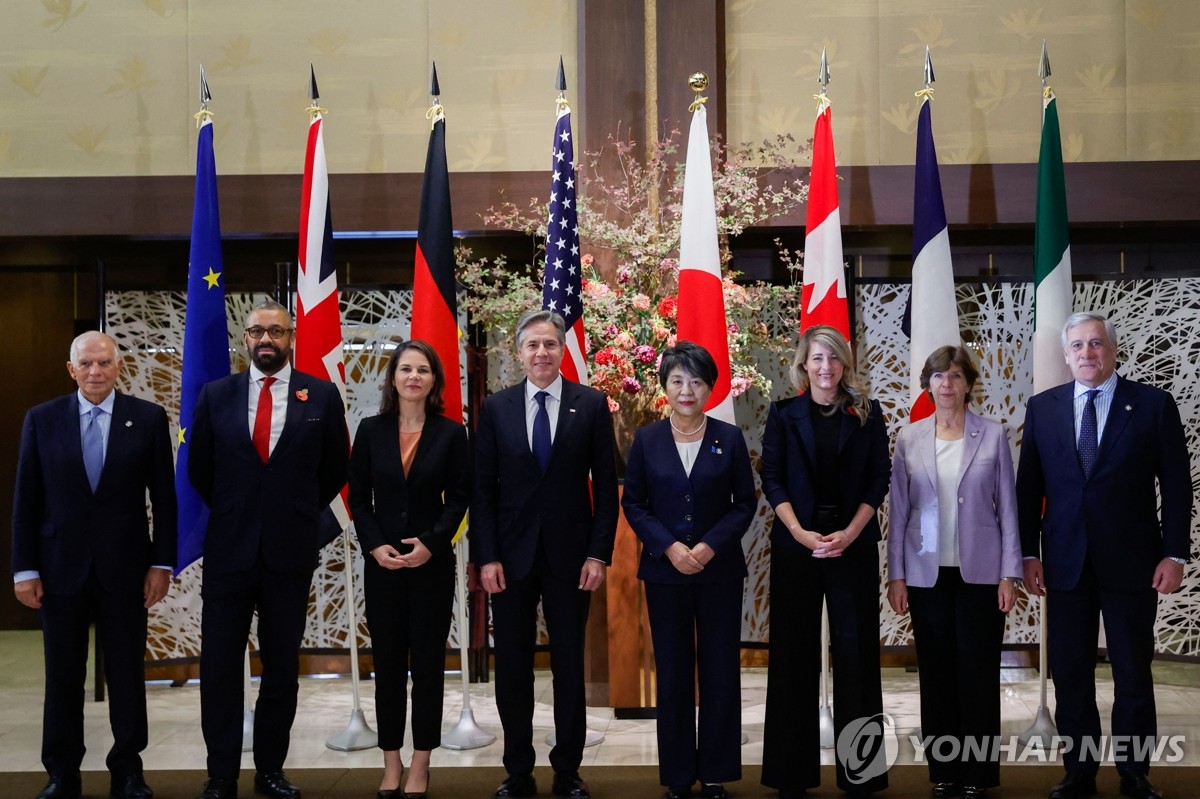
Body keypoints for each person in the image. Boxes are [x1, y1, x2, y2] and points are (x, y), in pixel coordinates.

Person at [1016, 312, 1191, 799]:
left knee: (1133, 668)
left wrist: (1175, 553)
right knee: (1070, 670)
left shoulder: (1153, 405)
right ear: (1066, 355)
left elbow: (1177, 486)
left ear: (1113, 351)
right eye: (1077, 346)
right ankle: (1079, 771)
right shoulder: (1043, 408)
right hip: (1064, 562)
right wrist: (1028, 553)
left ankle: (1135, 772)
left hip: (1134, 562)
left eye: (1096, 344)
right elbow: (1027, 490)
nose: (1087, 354)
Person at [188, 300, 349, 799]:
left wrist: (291, 511)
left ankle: (271, 771)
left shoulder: (320, 396)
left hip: (289, 554)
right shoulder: (217, 395)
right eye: (257, 331)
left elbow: (334, 470)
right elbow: (201, 470)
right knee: (219, 668)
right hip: (228, 554)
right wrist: (242, 512)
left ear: (291, 337)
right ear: (245, 338)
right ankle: (221, 775)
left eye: (275, 331)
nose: (265, 340)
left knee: (281, 668)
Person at [12, 331, 177, 799]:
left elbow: (164, 499)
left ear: (118, 366)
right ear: (72, 369)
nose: (95, 372)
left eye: (104, 363)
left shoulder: (146, 418)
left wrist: (161, 563)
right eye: (86, 364)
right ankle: (62, 773)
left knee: (126, 673)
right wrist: (24, 569)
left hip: (127, 570)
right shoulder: (41, 420)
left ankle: (128, 770)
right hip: (58, 569)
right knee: (63, 675)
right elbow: (27, 500)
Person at [471, 309, 619, 799]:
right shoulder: (497, 408)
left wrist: (599, 555)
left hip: (572, 560)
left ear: (562, 350)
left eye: (550, 344)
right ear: (518, 353)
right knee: (512, 667)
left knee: (568, 668)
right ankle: (517, 771)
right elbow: (482, 490)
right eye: (532, 345)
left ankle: (568, 770)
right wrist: (486, 556)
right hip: (508, 562)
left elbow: (606, 490)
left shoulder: (591, 405)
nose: (541, 353)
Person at [760, 324, 891, 798]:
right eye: (817, 358)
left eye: (834, 359)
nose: (826, 367)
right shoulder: (782, 414)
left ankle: (862, 773)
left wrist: (851, 532)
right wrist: (799, 532)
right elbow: (771, 479)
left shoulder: (867, 415)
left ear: (845, 365)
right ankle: (789, 775)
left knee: (857, 659)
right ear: (804, 364)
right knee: (793, 657)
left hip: (852, 545)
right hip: (797, 546)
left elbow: (880, 478)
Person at [621, 342, 756, 799]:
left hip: (718, 572)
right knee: (674, 672)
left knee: (720, 670)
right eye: (677, 380)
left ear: (710, 388)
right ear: (665, 386)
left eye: (696, 381)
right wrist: (669, 547)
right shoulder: (647, 439)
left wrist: (709, 546)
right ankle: (678, 774)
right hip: (665, 572)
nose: (686, 389)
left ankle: (715, 770)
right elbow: (633, 503)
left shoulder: (729, 438)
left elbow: (745, 504)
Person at [886, 345, 1022, 799]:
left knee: (978, 673)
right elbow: (899, 512)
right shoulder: (910, 439)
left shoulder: (993, 434)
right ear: (928, 384)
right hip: (926, 576)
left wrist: (1010, 573)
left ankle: (979, 775)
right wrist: (896, 576)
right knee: (937, 674)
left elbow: (1007, 510)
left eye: (956, 376)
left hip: (982, 576)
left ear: (968, 385)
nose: (947, 384)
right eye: (939, 376)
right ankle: (944, 770)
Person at [348, 340, 469, 799]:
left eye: (422, 370)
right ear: (393, 377)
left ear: (433, 380)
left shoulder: (451, 433)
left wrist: (433, 544)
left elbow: (460, 496)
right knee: (389, 666)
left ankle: (421, 763)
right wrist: (376, 546)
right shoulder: (370, 430)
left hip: (430, 565)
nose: (413, 377)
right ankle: (391, 761)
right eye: (405, 369)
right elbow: (358, 497)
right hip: (383, 566)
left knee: (429, 666)